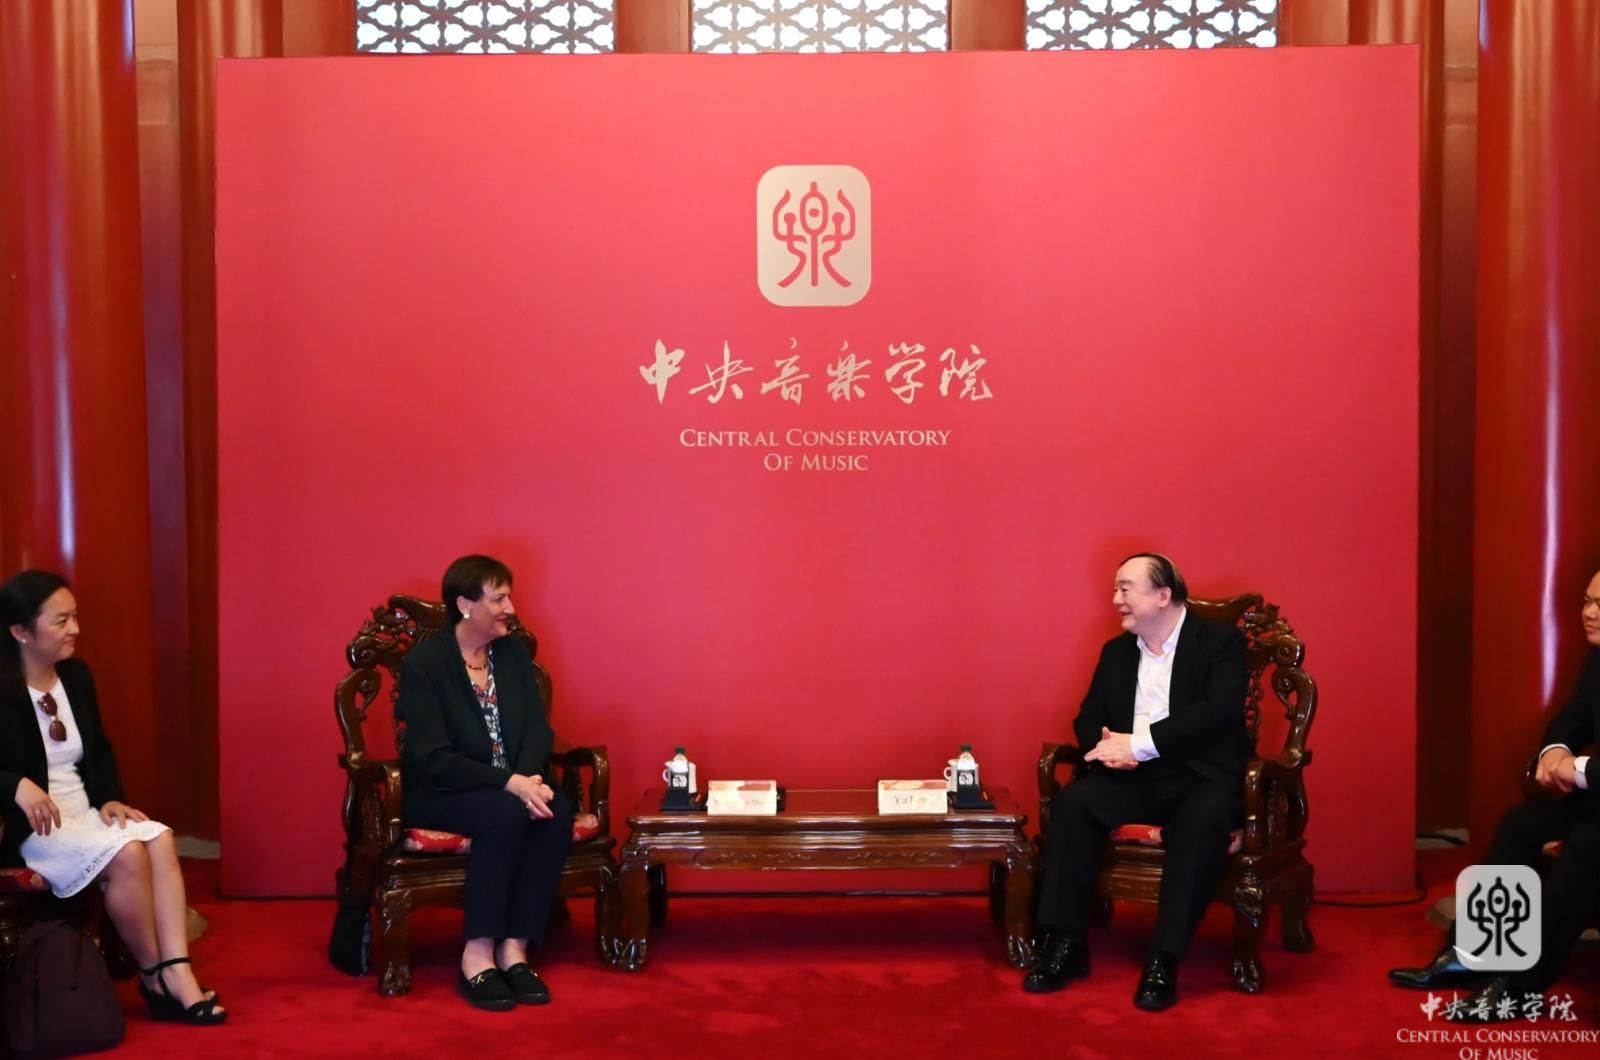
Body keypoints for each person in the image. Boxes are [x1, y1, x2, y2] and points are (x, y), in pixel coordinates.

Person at [0, 570, 225, 1025]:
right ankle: (154, 976)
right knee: (128, 855)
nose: (75, 629)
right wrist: (15, 785)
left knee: (159, 838)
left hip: (83, 812)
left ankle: (177, 970)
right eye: (61, 621)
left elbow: (100, 750)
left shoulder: (76, 676)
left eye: (75, 617)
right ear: (21, 632)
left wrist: (109, 798)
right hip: (35, 829)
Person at [1025, 553, 1248, 1011]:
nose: (1115, 599)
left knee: (1201, 822)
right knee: (1073, 805)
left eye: (1125, 588)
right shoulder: (1117, 652)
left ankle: (1164, 959)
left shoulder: (1220, 643)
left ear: (1163, 595)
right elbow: (1087, 716)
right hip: (1133, 776)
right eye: (1115, 589)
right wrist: (1108, 746)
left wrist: (1140, 745)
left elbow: (1217, 711)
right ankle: (1065, 944)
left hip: (1200, 776)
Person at [1388, 567, 1600, 1021]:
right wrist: (1555, 753)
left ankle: (1519, 988)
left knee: (1586, 848)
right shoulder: (1596, 661)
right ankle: (1474, 953)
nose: (1589, 612)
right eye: (1587, 601)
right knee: (1521, 824)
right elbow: (1569, 722)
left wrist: (1578, 769)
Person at [398, 554, 574, 1011]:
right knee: (505, 813)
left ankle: (515, 948)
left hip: (514, 786)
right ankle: (477, 953)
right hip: (445, 793)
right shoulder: (425, 665)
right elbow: (433, 758)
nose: (510, 608)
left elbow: (537, 729)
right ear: (464, 604)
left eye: (509, 597)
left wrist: (528, 779)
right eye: (498, 599)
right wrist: (510, 783)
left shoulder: (511, 654)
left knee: (556, 810)